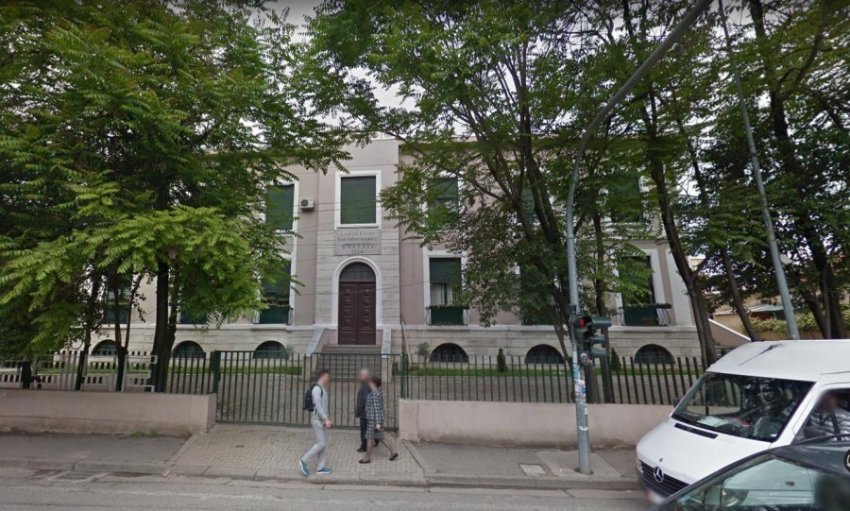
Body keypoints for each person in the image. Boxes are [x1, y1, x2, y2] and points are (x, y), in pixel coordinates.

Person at [299, 369, 333, 476]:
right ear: (323, 376)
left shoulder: (321, 388)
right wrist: (325, 418)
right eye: (327, 376)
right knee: (321, 443)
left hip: (321, 420)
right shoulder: (317, 389)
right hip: (317, 420)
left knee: (322, 443)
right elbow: (318, 405)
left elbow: (322, 406)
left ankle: (320, 467)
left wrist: (326, 419)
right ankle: (304, 460)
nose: (328, 379)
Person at [359, 376, 399, 464]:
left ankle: (367, 458)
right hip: (375, 420)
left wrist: (377, 423)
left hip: (373, 421)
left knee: (369, 439)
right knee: (381, 438)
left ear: (373, 384)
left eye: (370, 382)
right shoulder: (376, 392)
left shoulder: (375, 394)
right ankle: (393, 453)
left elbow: (377, 409)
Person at [354, 368, 373, 453]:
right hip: (368, 411)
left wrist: (358, 411)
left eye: (361, 375)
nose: (359, 377)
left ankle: (364, 446)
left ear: (365, 376)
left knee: (364, 429)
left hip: (365, 412)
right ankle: (375, 441)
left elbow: (364, 400)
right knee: (368, 428)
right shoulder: (368, 384)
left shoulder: (365, 386)